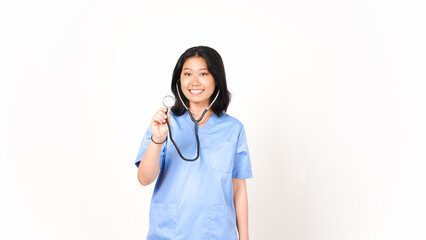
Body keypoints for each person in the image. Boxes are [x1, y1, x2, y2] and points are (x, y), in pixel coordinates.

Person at [134, 46, 253, 240]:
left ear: (216, 78)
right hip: (170, 232)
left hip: (217, 233)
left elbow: (239, 189)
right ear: (179, 80)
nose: (194, 81)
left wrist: (245, 237)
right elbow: (144, 178)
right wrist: (158, 139)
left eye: (203, 73)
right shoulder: (164, 122)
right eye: (187, 74)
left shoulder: (233, 129)